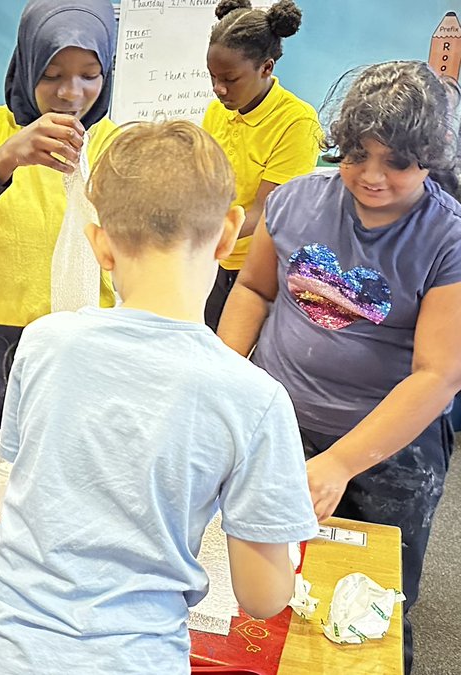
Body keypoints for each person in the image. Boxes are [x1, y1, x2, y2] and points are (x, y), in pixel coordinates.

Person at [0, 120, 318, 674]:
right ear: (228, 232)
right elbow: (262, 598)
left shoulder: (44, 341)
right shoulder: (255, 399)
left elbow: (30, 484)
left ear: (99, 245)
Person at [218, 61, 461, 672]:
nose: (372, 177)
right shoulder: (298, 200)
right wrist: (223, 380)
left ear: (430, 158)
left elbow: (439, 374)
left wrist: (341, 463)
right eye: (357, 156)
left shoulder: (447, 239)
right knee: (267, 589)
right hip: (281, 424)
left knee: (368, 607)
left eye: (397, 163)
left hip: (389, 451)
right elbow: (253, 290)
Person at [0, 0, 121, 450]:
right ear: (27, 62)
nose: (70, 92)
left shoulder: (113, 144)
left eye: (89, 74)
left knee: (67, 478)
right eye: (51, 74)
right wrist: (8, 156)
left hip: (82, 347)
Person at [201, 0, 320, 329]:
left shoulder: (297, 122)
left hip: (262, 268)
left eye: (230, 78)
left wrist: (196, 236)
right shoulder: (217, 112)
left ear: (266, 68)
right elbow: (202, 181)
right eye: (212, 77)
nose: (218, 89)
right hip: (215, 257)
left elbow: (266, 211)